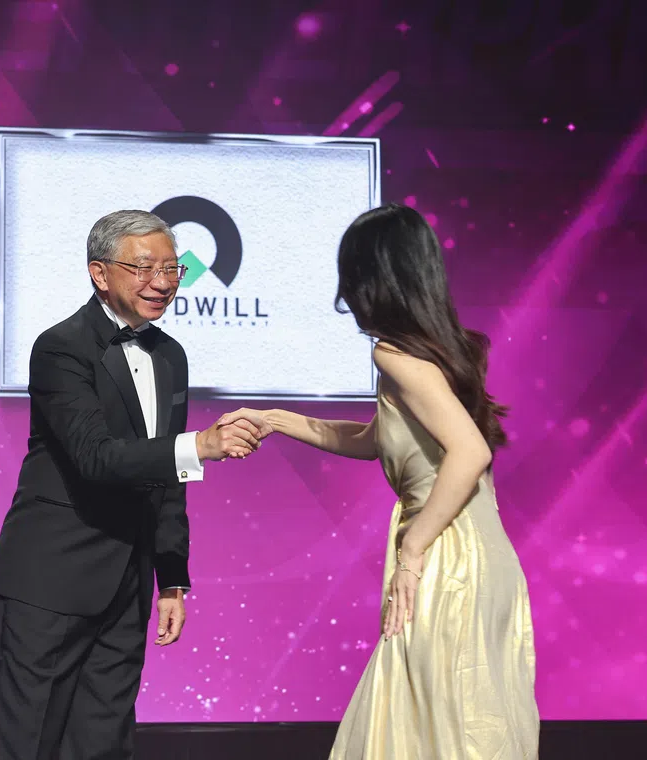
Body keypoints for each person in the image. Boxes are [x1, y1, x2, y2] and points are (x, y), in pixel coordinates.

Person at [219, 204, 539, 758]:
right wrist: (274, 419)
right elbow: (374, 440)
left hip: (445, 556)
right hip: (477, 552)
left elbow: (470, 452)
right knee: (452, 718)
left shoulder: (394, 356)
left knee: (431, 723)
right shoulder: (433, 354)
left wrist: (412, 550)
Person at [0, 210, 261, 759]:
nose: (162, 282)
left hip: (128, 582)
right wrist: (201, 445)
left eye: (172, 268)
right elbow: (96, 458)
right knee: (28, 741)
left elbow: (167, 476)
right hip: (52, 578)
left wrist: (172, 578)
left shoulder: (171, 355)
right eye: (143, 268)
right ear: (100, 273)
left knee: (104, 741)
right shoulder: (60, 348)